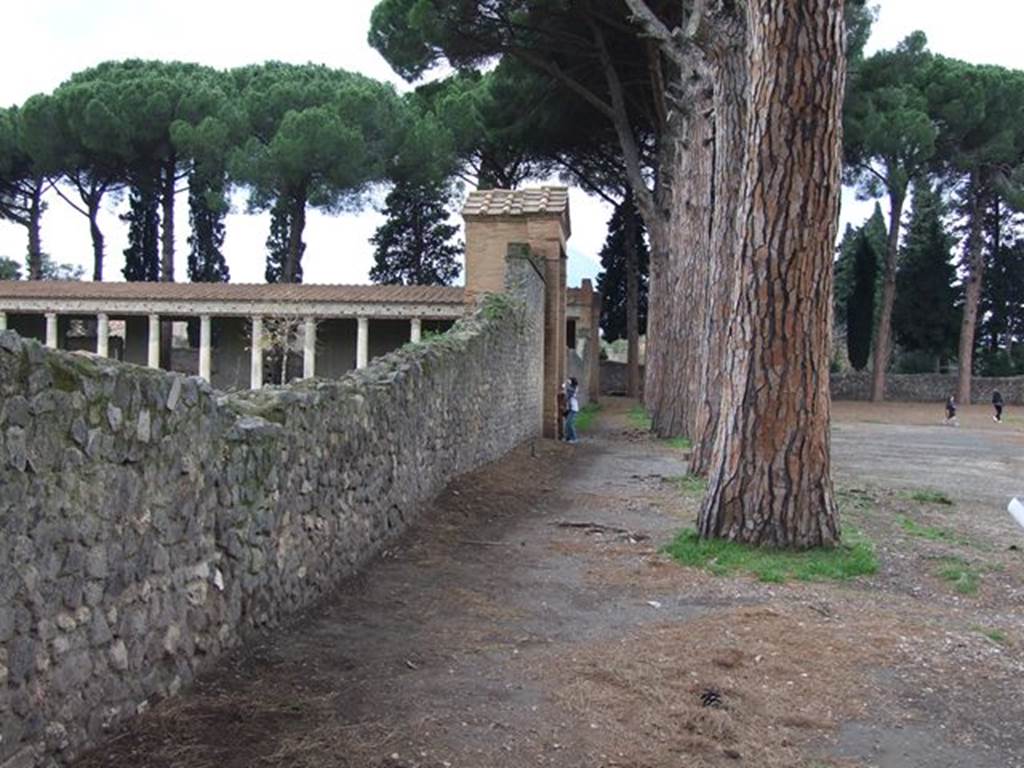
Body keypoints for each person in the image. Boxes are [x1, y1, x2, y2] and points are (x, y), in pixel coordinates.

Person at [564, 376, 580, 443]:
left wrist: (565, 386)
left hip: (574, 409)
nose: (568, 382)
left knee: (570, 424)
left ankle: (574, 438)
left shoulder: (574, 388)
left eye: (569, 381)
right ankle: (568, 438)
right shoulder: (571, 388)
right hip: (570, 408)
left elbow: (568, 395)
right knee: (567, 424)